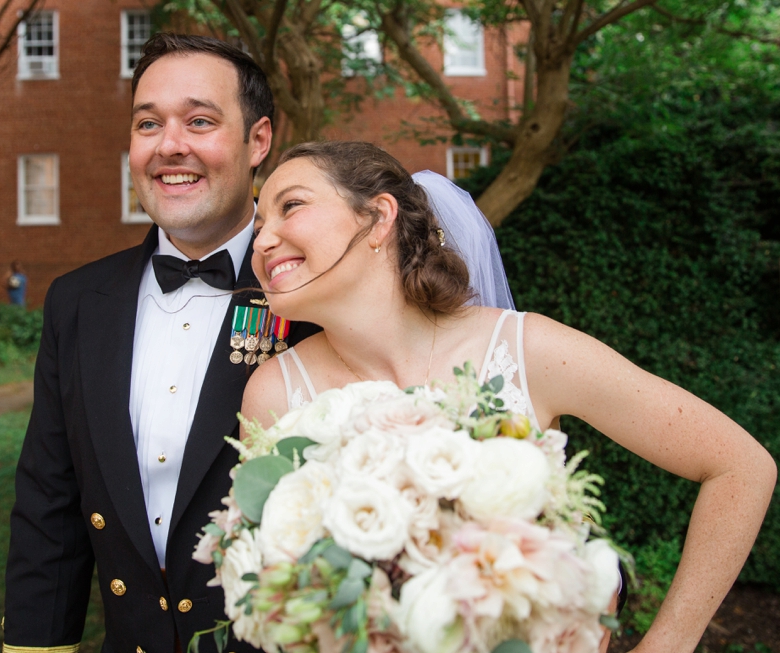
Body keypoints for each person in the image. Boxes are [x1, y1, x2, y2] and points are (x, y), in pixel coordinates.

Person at [242, 141, 776, 653]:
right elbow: (283, 591)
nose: (263, 240)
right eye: (259, 224)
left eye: (291, 206)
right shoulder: (273, 395)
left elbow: (740, 467)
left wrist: (668, 644)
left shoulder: (527, 349)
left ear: (379, 218)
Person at [3, 34, 317, 653]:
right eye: (149, 124)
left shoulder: (317, 291)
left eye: (200, 121)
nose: (170, 146)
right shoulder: (75, 302)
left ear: (259, 141)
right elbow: (50, 509)